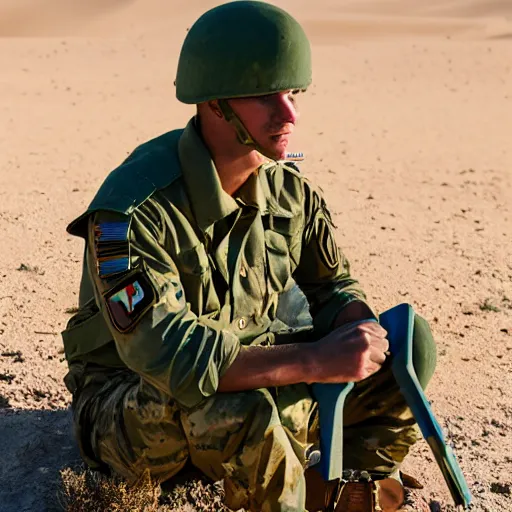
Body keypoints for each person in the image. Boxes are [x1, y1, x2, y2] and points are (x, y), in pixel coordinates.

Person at [61, 2, 436, 511]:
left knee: (407, 345)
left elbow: (331, 286)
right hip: (132, 404)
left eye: (294, 93)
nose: (290, 114)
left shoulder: (286, 188)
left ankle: (343, 484)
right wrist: (315, 360)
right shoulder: (131, 211)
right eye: (266, 97)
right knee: (242, 409)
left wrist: (358, 332)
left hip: (254, 368)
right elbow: (174, 357)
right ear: (215, 103)